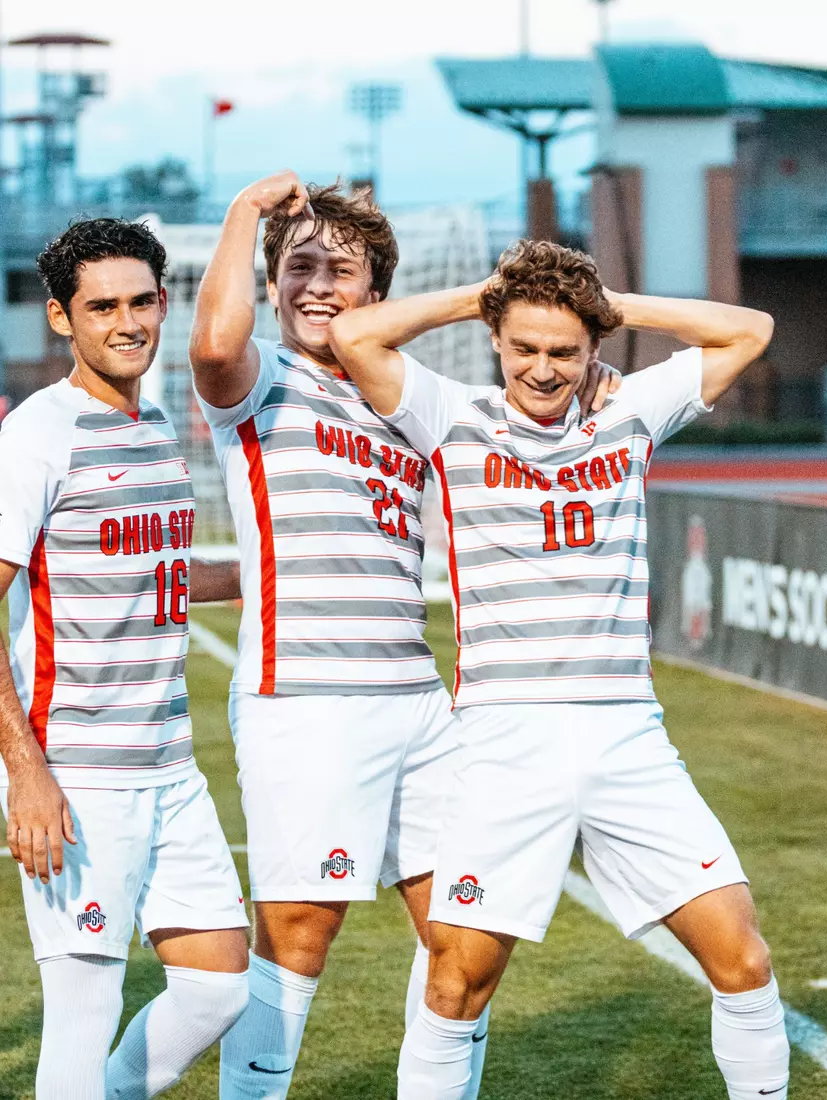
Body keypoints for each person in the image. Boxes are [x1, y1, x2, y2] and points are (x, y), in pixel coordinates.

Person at [190, 170, 619, 1097]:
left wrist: (596, 382)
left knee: (466, 937)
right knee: (302, 932)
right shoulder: (263, 377)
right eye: (297, 270)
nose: (315, 287)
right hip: (306, 701)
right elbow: (215, 342)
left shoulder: (407, 403)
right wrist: (245, 216)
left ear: (376, 297)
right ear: (271, 287)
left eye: (339, 273)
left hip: (420, 705)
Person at [329, 239, 788, 1100]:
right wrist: (487, 296)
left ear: (594, 351)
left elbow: (749, 330)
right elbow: (359, 337)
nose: (543, 370)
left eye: (565, 352)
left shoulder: (634, 411)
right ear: (497, 344)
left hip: (628, 735)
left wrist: (611, 306)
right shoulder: (450, 415)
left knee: (744, 955)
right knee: (457, 982)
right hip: (506, 739)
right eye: (526, 348)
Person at [0, 218, 249, 1099]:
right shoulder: (39, 433)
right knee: (84, 1009)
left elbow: (162, 574)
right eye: (102, 306)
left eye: (142, 301)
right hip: (76, 771)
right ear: (64, 320)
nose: (128, 322)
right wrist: (27, 774)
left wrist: (273, 573)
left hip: (169, 765)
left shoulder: (149, 429)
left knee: (220, 986)